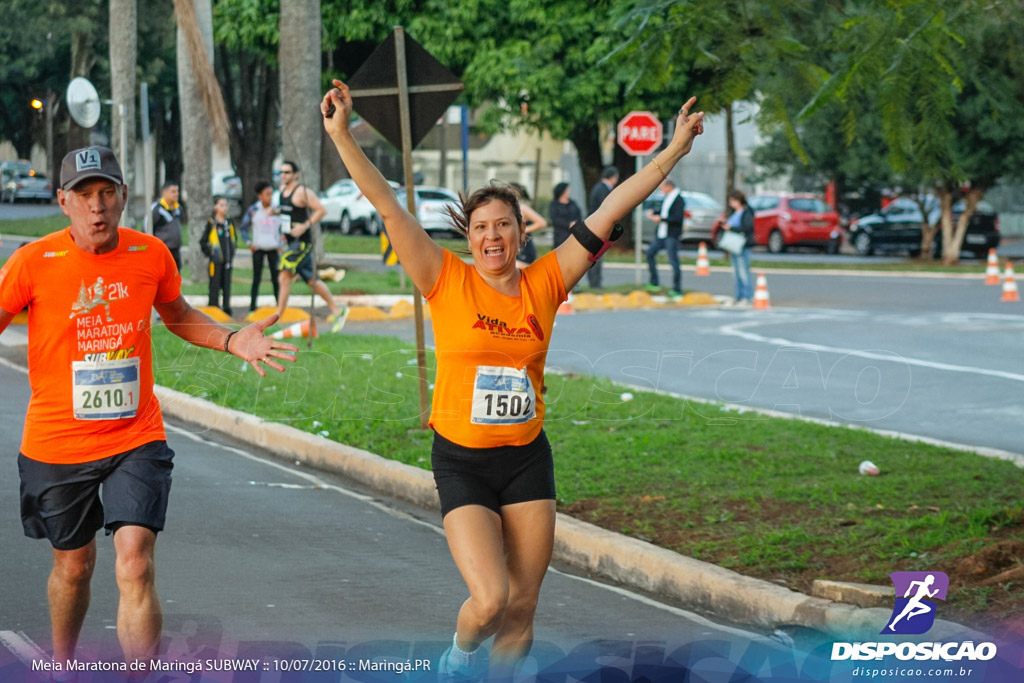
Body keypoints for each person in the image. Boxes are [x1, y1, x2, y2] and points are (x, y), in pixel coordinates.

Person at [321, 80, 703, 681]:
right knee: (491, 601)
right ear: (467, 237)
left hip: (527, 460)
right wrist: (342, 135)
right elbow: (390, 205)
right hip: (463, 461)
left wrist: (674, 148)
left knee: (523, 608)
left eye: (503, 226)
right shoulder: (444, 279)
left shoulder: (546, 282)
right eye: (480, 228)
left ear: (521, 233)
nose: (492, 237)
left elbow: (609, 210)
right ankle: (459, 659)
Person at [0, 146, 298, 667]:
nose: (98, 207)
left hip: (134, 437)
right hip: (56, 442)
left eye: (107, 193)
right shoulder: (32, 262)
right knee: (74, 567)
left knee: (134, 563)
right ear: (63, 201)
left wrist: (233, 340)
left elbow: (178, 314)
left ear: (123, 198)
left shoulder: (149, 255)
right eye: (85, 196)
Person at [274, 160, 346, 331]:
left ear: (296, 174)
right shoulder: (283, 191)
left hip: (301, 243)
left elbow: (321, 210)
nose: (283, 176)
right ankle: (337, 310)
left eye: (287, 172)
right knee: (312, 281)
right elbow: (287, 212)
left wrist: (304, 226)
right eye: (281, 173)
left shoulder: (302, 192)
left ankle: (277, 317)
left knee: (283, 277)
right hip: (289, 241)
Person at [240, 180, 284, 312]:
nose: (269, 197)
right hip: (258, 248)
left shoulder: (277, 209)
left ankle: (279, 306)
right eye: (267, 194)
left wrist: (281, 243)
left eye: (271, 194)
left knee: (276, 278)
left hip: (273, 248)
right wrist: (249, 243)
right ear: (260, 196)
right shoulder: (254, 210)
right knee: (256, 278)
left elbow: (285, 227)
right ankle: (252, 306)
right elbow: (243, 228)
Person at [644, 178, 685, 297]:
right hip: (661, 234)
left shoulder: (678, 200)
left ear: (669, 187)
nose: (661, 190)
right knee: (650, 253)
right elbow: (664, 211)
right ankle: (654, 281)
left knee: (673, 261)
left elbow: (676, 218)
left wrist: (661, 219)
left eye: (662, 188)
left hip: (671, 235)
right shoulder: (667, 198)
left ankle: (677, 289)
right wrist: (655, 212)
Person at [200, 195, 238, 316]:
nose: (224, 208)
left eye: (226, 205)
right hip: (215, 262)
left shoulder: (229, 222)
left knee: (226, 286)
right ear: (215, 207)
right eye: (221, 205)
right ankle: (213, 309)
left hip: (227, 260)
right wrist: (210, 253)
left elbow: (233, 239)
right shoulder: (212, 223)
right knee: (214, 286)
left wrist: (232, 252)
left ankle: (227, 309)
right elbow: (203, 241)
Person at [584, 166, 619, 289]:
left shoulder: (599, 188)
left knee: (597, 255)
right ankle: (595, 283)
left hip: (596, 225)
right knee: (596, 256)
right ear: (613, 177)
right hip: (598, 227)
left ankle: (596, 282)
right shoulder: (603, 190)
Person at [146, 181, 186, 272]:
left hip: (176, 251)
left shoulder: (178, 209)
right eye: (173, 191)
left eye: (177, 191)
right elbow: (147, 228)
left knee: (176, 279)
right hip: (162, 252)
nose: (176, 194)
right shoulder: (156, 209)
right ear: (164, 192)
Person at [724, 189, 755, 305]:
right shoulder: (734, 213)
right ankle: (738, 296)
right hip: (734, 246)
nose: (731, 204)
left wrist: (731, 228)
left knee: (744, 272)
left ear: (739, 200)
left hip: (743, 245)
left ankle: (747, 297)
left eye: (733, 201)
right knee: (736, 273)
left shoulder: (746, 212)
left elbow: (746, 227)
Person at [509, 183, 547, 267]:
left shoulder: (522, 208)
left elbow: (542, 223)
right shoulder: (507, 209)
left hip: (523, 249)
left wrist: (522, 231)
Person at [548, 182, 582, 250]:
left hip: (573, 233)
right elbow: (555, 219)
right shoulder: (554, 205)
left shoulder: (573, 203)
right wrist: (568, 224)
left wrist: (576, 223)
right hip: (560, 235)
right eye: (567, 190)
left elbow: (578, 215)